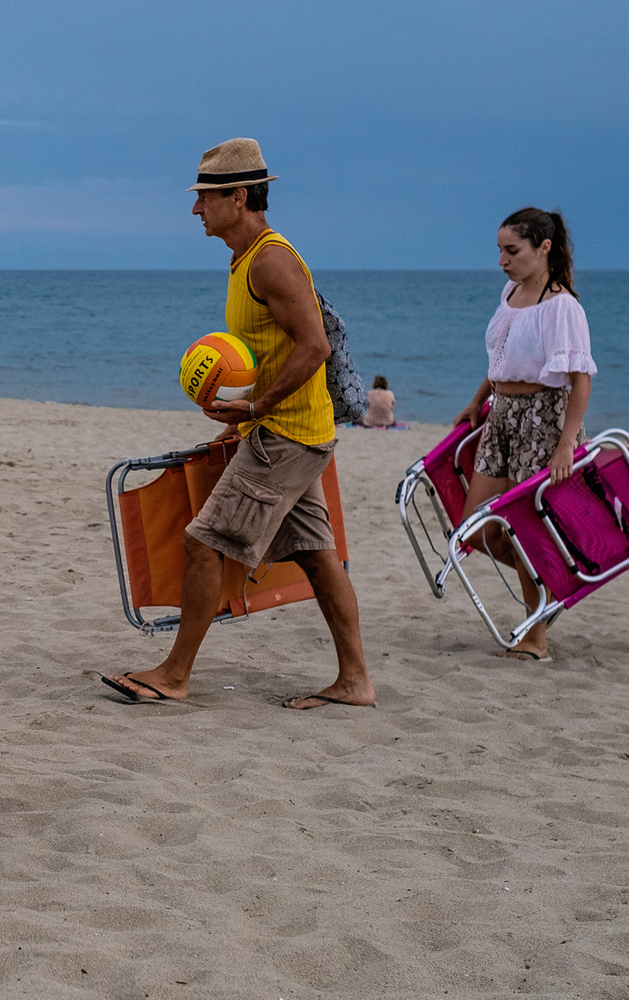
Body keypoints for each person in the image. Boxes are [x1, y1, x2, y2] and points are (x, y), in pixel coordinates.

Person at [103, 138, 375, 711]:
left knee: (205, 542)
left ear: (240, 196)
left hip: (287, 437)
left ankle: (175, 674)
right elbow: (273, 352)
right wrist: (239, 425)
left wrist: (256, 410)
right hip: (290, 432)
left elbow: (314, 347)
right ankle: (355, 681)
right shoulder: (244, 259)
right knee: (317, 557)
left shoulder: (273, 259)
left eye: (205, 197)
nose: (196, 209)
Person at [454, 207, 596, 662]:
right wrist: (478, 400)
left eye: (511, 250)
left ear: (544, 248)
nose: (502, 259)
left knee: (522, 530)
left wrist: (566, 443)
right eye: (499, 250)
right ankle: (553, 585)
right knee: (475, 528)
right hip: (502, 416)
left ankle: (536, 635)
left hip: (542, 418)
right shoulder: (511, 292)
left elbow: (581, 380)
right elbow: (500, 357)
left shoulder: (563, 307)